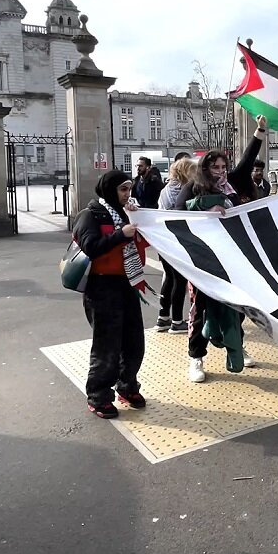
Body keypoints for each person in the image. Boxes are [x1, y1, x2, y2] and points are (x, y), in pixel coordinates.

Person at [176, 149, 262, 381]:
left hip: (230, 260)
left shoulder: (231, 190)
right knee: (199, 310)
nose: (221, 172)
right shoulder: (193, 187)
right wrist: (205, 211)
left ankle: (237, 345)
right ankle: (196, 357)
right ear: (205, 168)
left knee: (236, 307)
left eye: (224, 167)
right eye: (216, 167)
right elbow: (175, 215)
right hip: (201, 260)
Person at [73, 170, 149, 419]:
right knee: (107, 346)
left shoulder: (129, 213)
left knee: (134, 342)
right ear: (109, 190)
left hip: (127, 284)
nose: (128, 194)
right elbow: (91, 247)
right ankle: (99, 395)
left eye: (130, 188)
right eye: (123, 189)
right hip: (101, 287)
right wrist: (120, 235)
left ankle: (127, 386)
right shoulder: (90, 215)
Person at [157, 157, 199, 333]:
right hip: (175, 241)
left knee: (169, 278)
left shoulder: (167, 188)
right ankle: (177, 321)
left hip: (161, 239)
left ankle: (163, 317)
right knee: (179, 280)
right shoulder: (181, 191)